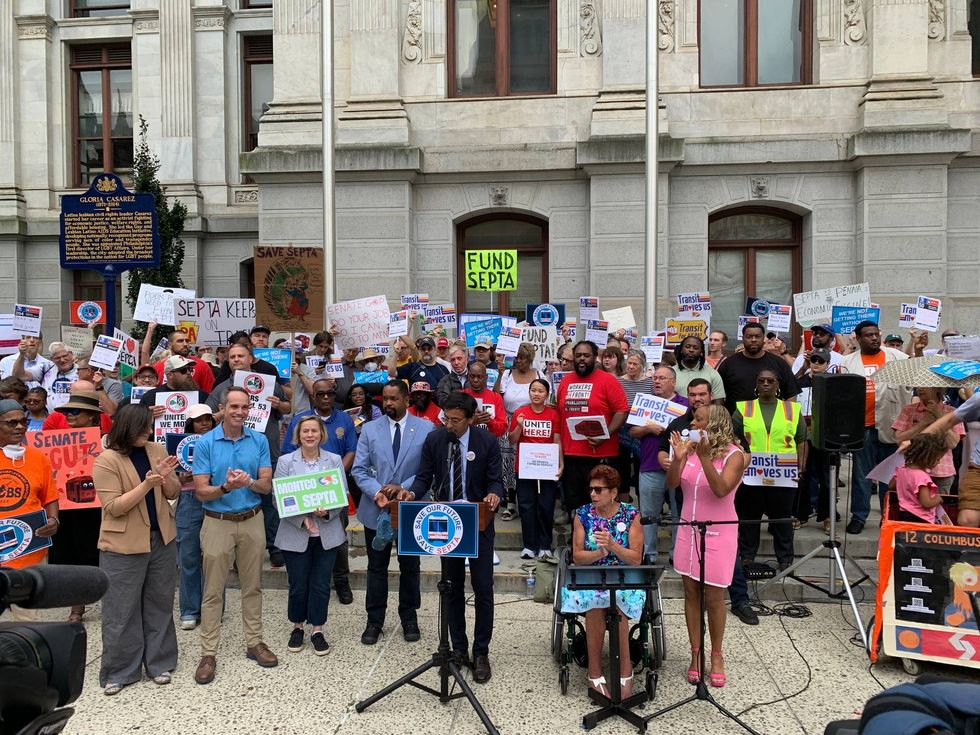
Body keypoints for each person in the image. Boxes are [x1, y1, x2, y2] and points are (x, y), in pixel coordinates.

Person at [406, 392, 503, 684]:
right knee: (452, 587)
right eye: (446, 418)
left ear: (471, 419)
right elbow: (424, 476)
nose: (449, 424)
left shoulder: (486, 442)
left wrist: (494, 493)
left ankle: (481, 651)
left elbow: (496, 479)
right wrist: (412, 492)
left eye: (456, 420)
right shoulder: (436, 440)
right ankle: (458, 649)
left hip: (478, 522)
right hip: (447, 524)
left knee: (483, 587)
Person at [192, 386, 278, 684]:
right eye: (234, 407)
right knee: (213, 590)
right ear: (222, 408)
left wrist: (249, 482)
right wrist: (226, 487)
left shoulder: (260, 440)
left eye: (245, 407)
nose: (240, 412)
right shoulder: (205, 443)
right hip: (217, 521)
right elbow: (201, 492)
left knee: (252, 586)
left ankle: (254, 643)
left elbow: (267, 486)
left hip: (252, 519)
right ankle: (208, 653)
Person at [93, 405, 181, 695]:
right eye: (143, 427)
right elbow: (114, 507)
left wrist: (167, 477)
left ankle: (159, 663)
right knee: (121, 609)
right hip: (123, 546)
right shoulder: (107, 460)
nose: (148, 431)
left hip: (161, 540)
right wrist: (145, 485)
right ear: (127, 428)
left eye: (149, 427)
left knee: (159, 603)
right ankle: (120, 670)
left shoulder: (156, 449)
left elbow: (173, 492)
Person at [667, 405, 748, 688]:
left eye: (698, 420)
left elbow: (721, 489)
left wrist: (702, 459)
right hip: (688, 529)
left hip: (718, 532)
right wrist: (678, 460)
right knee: (690, 593)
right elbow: (673, 484)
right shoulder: (689, 450)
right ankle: (695, 653)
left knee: (714, 597)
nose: (692, 422)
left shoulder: (736, 456)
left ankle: (716, 655)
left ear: (714, 425)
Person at [352, 380, 435, 645]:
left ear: (406, 399)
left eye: (393, 399)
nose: (388, 403)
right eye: (384, 399)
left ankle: (409, 617)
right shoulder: (369, 429)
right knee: (377, 567)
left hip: (411, 508)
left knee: (410, 566)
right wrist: (378, 491)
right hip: (375, 509)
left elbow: (429, 470)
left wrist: (404, 489)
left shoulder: (426, 428)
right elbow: (359, 470)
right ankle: (374, 620)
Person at [559, 464, 644, 699]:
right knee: (596, 605)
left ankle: (626, 671)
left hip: (625, 576)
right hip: (591, 575)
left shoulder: (631, 515)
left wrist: (614, 546)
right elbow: (577, 556)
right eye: (591, 490)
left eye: (599, 490)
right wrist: (601, 553)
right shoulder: (583, 514)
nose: (593, 494)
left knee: (618, 603)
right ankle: (594, 672)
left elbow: (636, 558)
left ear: (614, 492)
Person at [208, 343, 290, 567]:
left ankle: (274, 546)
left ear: (250, 359)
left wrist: (278, 403)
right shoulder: (221, 388)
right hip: (234, 451)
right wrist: (222, 411)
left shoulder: (267, 382)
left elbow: (288, 407)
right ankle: (241, 553)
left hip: (267, 448)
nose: (235, 359)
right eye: (232, 356)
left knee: (269, 498)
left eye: (240, 356)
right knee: (240, 497)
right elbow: (207, 419)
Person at [274, 415, 348, 656]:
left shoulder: (334, 460)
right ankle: (297, 626)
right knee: (298, 584)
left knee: (320, 584)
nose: (309, 435)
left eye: (313, 431)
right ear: (298, 435)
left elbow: (342, 494)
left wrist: (327, 512)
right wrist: (302, 517)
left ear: (321, 434)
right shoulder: (285, 462)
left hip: (327, 532)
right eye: (305, 431)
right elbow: (278, 499)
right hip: (295, 532)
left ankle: (317, 629)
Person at [279, 378, 356, 603]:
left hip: (332, 490)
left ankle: (341, 581)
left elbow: (351, 450)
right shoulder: (299, 420)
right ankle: (304, 583)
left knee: (337, 539)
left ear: (334, 395)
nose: (325, 398)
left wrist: (333, 478)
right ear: (313, 395)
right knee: (304, 537)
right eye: (319, 394)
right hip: (302, 491)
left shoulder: (344, 419)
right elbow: (288, 454)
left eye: (329, 394)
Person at [733, 369, 807, 571]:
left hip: (783, 474)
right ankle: (747, 557)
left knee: (782, 518)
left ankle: (785, 559)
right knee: (749, 517)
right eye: (761, 380)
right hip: (751, 474)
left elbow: (801, 440)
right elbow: (733, 439)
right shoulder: (743, 408)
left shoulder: (791, 409)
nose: (766, 383)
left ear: (778, 385)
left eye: (770, 380)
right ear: (756, 385)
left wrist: (801, 467)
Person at [840, 320, 910, 534]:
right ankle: (859, 517)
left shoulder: (897, 358)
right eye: (868, 335)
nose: (874, 338)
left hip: (892, 427)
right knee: (861, 477)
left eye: (876, 334)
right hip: (863, 428)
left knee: (889, 478)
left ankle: (888, 517)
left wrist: (917, 344)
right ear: (858, 338)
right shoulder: (847, 362)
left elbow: (911, 381)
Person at [48, 390, 106, 623]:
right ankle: (77, 605)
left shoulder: (105, 441)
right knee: (68, 556)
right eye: (66, 412)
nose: (68, 415)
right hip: (64, 508)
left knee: (93, 554)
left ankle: (102, 597)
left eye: (75, 411)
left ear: (92, 416)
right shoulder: (54, 441)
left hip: (94, 508)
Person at [0, 399, 59, 621]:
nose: (19, 427)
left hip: (29, 550)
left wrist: (54, 520)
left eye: (23, 422)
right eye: (11, 423)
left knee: (29, 622)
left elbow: (50, 497)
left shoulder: (38, 458)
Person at [556, 341, 630, 511]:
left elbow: (622, 411)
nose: (582, 359)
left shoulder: (608, 380)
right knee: (575, 506)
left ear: (595, 357)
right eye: (578, 355)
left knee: (601, 506)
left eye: (586, 355)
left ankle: (599, 538)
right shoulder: (565, 381)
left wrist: (605, 434)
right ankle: (578, 537)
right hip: (571, 454)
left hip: (601, 454)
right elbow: (559, 414)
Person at [630, 366, 690, 562]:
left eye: (662, 378)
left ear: (673, 382)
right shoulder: (645, 402)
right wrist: (648, 428)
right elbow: (632, 432)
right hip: (649, 466)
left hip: (679, 468)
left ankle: (677, 554)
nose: (656, 381)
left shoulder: (686, 405)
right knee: (648, 514)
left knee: (678, 513)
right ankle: (649, 555)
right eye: (655, 378)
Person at [508, 378, 562, 559]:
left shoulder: (553, 414)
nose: (536, 394)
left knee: (546, 506)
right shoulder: (520, 413)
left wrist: (560, 464)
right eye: (533, 390)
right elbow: (512, 440)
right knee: (526, 506)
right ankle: (529, 545)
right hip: (524, 467)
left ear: (547, 394)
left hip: (547, 467)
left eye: (540, 391)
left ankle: (545, 545)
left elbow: (557, 440)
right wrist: (520, 426)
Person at [175, 404, 216, 631]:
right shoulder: (177, 445)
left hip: (214, 498)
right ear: (190, 424)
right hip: (188, 500)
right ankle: (190, 609)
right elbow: (170, 480)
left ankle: (213, 609)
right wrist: (180, 479)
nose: (205, 424)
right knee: (189, 557)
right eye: (199, 420)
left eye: (208, 419)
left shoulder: (221, 442)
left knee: (214, 558)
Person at [495, 342, 542, 521]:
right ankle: (511, 503)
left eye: (523, 358)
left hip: (532, 424)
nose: (519, 362)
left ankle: (528, 503)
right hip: (509, 423)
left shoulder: (538, 374)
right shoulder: (507, 374)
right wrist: (500, 374)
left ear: (530, 359)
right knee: (508, 463)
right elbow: (496, 394)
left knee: (528, 462)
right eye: (517, 358)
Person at [892, 387, 964, 495]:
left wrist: (940, 418)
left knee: (940, 509)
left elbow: (953, 443)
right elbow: (899, 440)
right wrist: (923, 423)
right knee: (912, 508)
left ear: (938, 389)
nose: (920, 389)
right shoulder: (908, 410)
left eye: (925, 386)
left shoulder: (952, 412)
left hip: (942, 472)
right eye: (919, 386)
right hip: (912, 470)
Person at [923, 390, 980, 527]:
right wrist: (917, 440)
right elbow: (949, 420)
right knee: (967, 520)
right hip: (978, 468)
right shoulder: (978, 399)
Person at [717, 323, 799, 414]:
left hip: (771, 423)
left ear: (763, 338)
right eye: (749, 337)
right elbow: (718, 396)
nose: (753, 340)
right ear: (743, 338)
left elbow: (791, 395)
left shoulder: (779, 363)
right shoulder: (729, 364)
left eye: (757, 336)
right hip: (737, 423)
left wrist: (785, 419)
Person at [797, 349, 835, 532]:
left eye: (821, 360)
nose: (817, 363)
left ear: (827, 363)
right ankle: (800, 514)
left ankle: (827, 515)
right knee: (801, 473)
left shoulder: (833, 382)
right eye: (814, 359)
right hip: (804, 434)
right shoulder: (801, 381)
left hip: (825, 435)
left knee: (826, 477)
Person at [894, 433, 948, 523]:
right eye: (938, 459)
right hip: (921, 518)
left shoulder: (901, 469)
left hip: (904, 513)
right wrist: (938, 499)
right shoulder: (922, 477)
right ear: (927, 457)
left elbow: (891, 486)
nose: (938, 463)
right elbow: (926, 503)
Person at [12, 341, 77, 412]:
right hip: (49, 418)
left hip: (74, 417)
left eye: (64, 356)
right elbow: (18, 376)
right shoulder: (45, 368)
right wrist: (22, 355)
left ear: (71, 354)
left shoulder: (81, 370)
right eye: (57, 358)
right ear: (52, 359)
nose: (62, 360)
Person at [147, 328, 215, 393]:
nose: (185, 344)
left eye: (187, 341)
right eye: (180, 341)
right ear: (170, 345)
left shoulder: (202, 365)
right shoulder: (158, 367)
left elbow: (209, 393)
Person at [673, 336, 726, 402]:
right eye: (687, 347)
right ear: (681, 350)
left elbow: (718, 403)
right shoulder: (671, 373)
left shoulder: (712, 374)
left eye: (696, 348)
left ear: (701, 352)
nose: (691, 350)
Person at [462, 361, 507, 437]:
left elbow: (502, 429)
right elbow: (454, 426)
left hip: (489, 443)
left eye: (479, 377)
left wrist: (490, 422)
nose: (475, 380)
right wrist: (472, 422)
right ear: (468, 376)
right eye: (472, 376)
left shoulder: (496, 397)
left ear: (486, 377)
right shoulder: (461, 395)